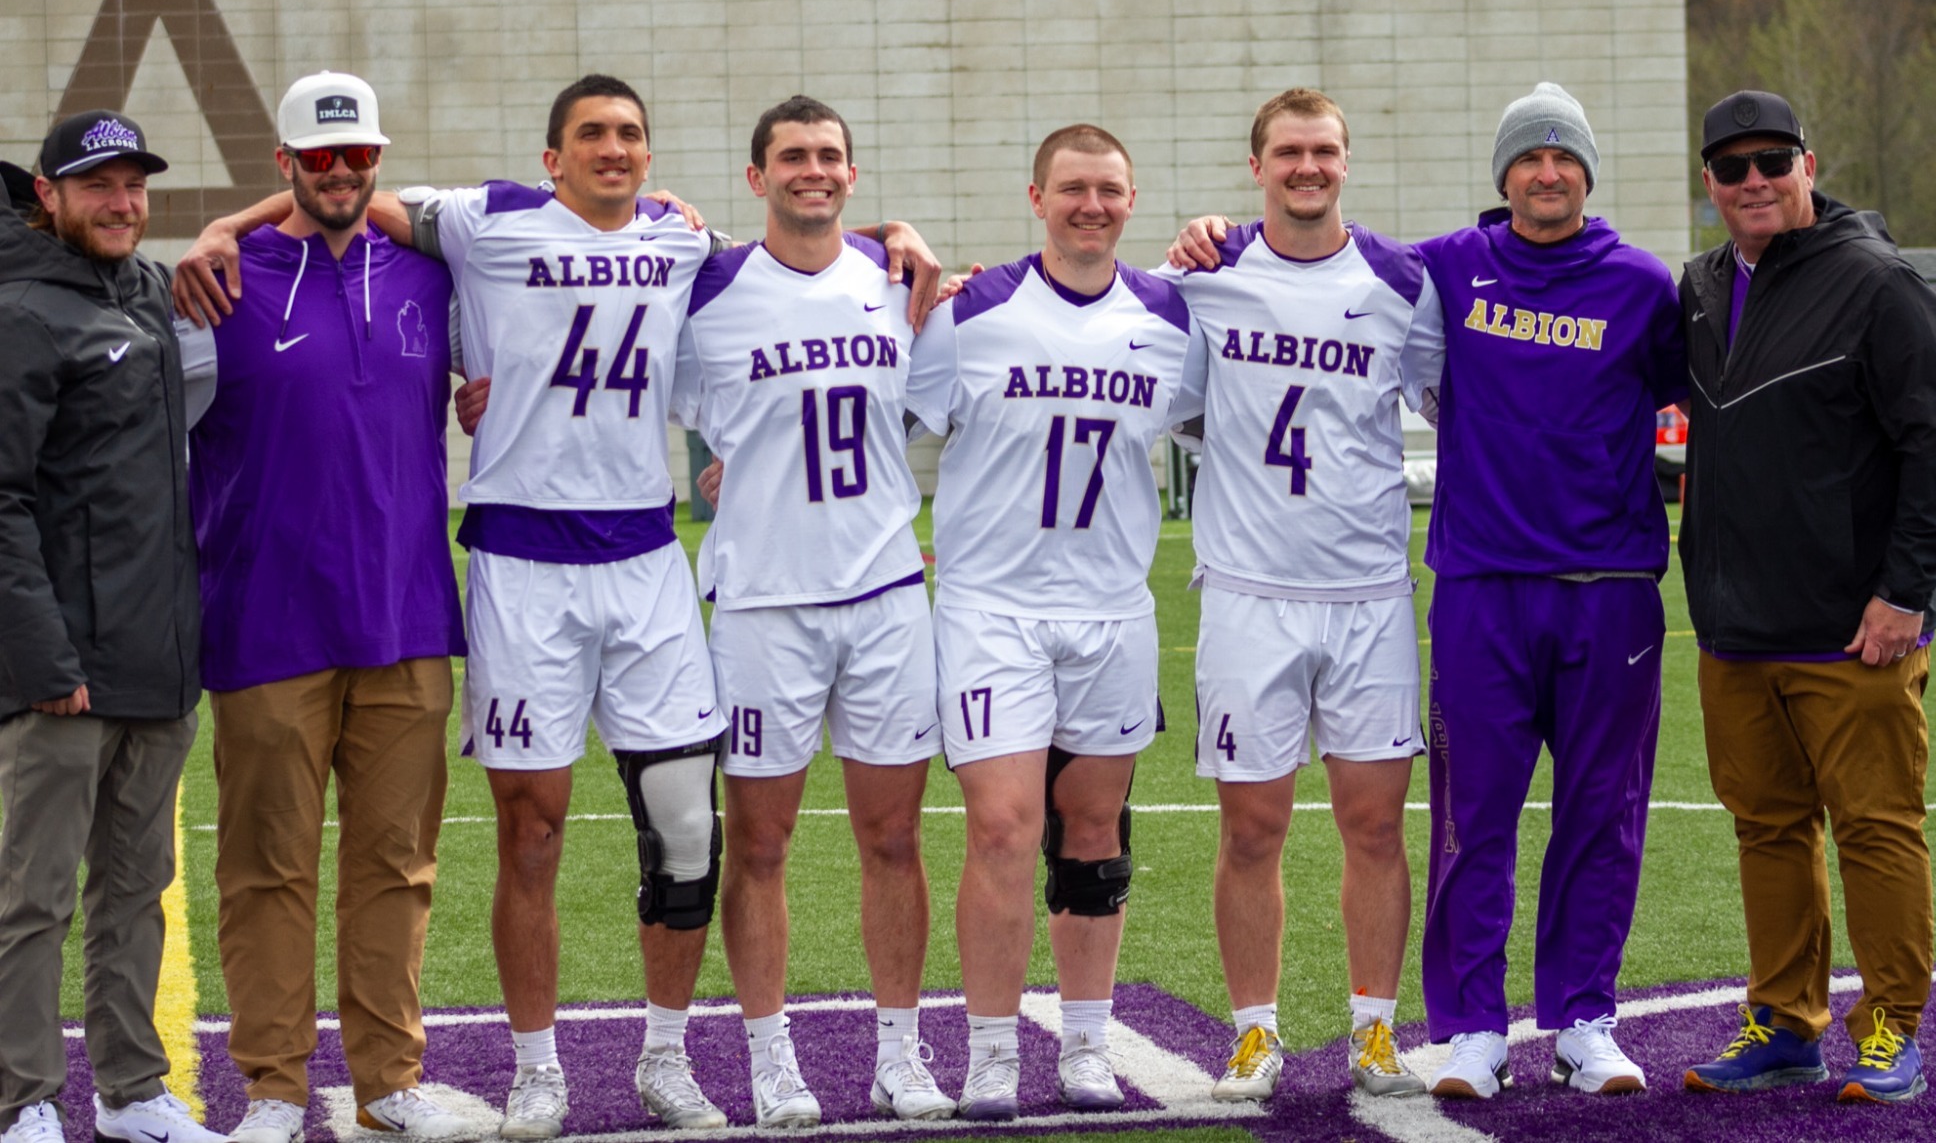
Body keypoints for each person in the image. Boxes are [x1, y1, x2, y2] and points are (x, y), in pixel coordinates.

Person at [179, 74, 939, 1137]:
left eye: (630, 134)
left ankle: (664, 1057)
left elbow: (800, 240)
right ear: (552, 157)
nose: (613, 149)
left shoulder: (686, 246)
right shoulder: (488, 221)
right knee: (529, 833)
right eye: (591, 135)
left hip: (644, 561)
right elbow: (338, 194)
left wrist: (889, 231)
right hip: (522, 565)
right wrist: (222, 220)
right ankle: (537, 1069)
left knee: (683, 833)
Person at [176, 73, 469, 1143]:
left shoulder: (434, 273)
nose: (340, 174)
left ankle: (390, 1080)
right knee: (266, 870)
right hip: (262, 626)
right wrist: (219, 227)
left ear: (379, 159)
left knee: (398, 864)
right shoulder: (215, 282)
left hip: (407, 622)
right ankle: (270, 1088)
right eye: (319, 158)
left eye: (357, 157)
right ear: (283, 165)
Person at [1678, 91, 1936, 1105]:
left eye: (1771, 160)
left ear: (1808, 163)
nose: (1751, 180)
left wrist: (1902, 593)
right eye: (1730, 167)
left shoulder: (1878, 284)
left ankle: (1889, 1025)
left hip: (1854, 632)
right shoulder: (1700, 285)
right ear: (1707, 183)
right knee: (1764, 828)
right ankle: (1782, 1021)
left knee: (1875, 827)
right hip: (1733, 629)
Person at [904, 125, 1205, 1120]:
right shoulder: (975, 311)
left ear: (1131, 197)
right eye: (1071, 188)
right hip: (993, 609)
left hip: (1111, 610)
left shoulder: (1168, 317)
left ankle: (1083, 1041)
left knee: (1093, 835)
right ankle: (991, 1050)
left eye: (1108, 189)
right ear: (1034, 197)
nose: (1091, 204)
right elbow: (889, 415)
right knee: (1000, 827)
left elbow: (1230, 419)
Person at [1157, 89, 1443, 1102]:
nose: (1306, 167)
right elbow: (1154, 386)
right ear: (1256, 166)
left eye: (1323, 150)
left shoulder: (1402, 282)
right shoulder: (1207, 273)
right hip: (1246, 594)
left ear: (1346, 162)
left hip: (1365, 591)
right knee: (1250, 829)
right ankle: (1254, 1032)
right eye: (1288, 152)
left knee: (1374, 826)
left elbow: (1450, 397)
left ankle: (1372, 1030)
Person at [670, 97, 949, 1127]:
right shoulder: (710, 286)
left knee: (893, 838)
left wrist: (901, 244)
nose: (813, 171)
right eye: (792, 156)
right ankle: (767, 1056)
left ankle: (897, 1051)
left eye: (829, 155)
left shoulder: (893, 281)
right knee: (761, 845)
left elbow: (936, 401)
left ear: (853, 171)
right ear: (756, 178)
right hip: (761, 604)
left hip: (881, 595)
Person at [1409, 84, 1683, 1099]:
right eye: (1528, 157)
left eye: (1563, 157)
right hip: (1481, 586)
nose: (1546, 172)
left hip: (1607, 590)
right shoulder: (1445, 268)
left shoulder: (1641, 285)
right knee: (1471, 815)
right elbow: (1326, 254)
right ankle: (1473, 1027)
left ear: (1586, 173)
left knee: (1598, 815)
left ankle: (1581, 1018)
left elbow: (1684, 393)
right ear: (1503, 175)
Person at [0, 113, 221, 1143]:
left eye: (133, 185)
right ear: (47, 194)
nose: (122, 203)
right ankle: (23, 1099)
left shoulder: (141, 285)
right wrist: (43, 660)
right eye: (98, 186)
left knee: (136, 893)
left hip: (157, 663)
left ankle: (132, 1093)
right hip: (61, 674)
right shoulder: (20, 311)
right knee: (32, 904)